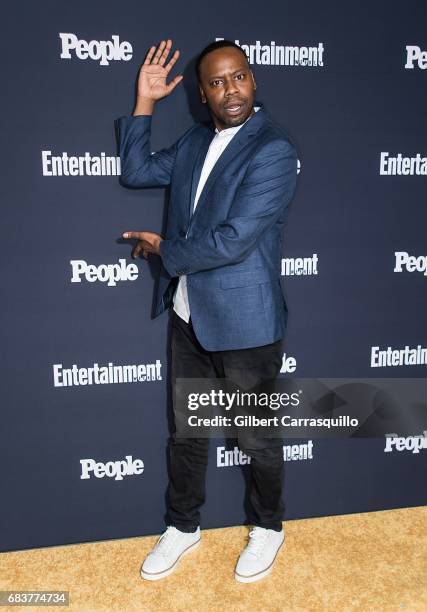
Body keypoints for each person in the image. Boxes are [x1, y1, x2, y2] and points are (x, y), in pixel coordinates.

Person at [116, 38, 298, 583]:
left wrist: (163, 249)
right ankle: (183, 526)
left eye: (238, 77)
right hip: (189, 313)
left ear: (253, 79)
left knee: (256, 435)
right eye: (217, 83)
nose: (230, 90)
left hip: (245, 321)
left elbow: (232, 241)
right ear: (202, 93)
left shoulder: (274, 149)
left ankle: (269, 527)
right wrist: (145, 101)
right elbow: (137, 169)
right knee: (187, 433)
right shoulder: (197, 138)